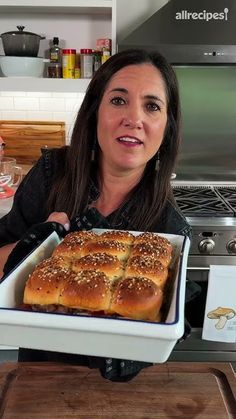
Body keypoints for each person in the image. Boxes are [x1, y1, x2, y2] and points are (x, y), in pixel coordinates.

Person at [0, 48, 191, 380]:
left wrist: (156, 338)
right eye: (118, 100)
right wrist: (29, 254)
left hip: (112, 392)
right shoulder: (51, 173)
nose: (134, 118)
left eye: (152, 106)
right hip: (36, 377)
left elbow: (166, 327)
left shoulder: (169, 228)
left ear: (167, 127)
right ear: (94, 112)